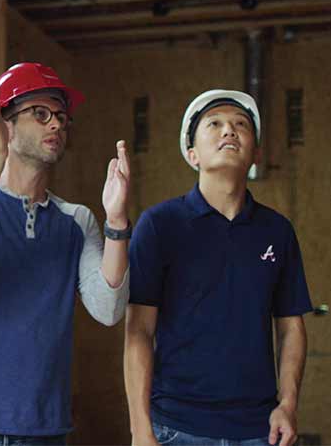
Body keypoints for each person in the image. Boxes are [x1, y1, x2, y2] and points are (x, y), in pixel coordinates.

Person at [0, 62, 132, 445]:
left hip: (41, 430)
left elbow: (108, 309)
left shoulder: (76, 221)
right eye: (40, 113)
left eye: (62, 118)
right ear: (5, 124)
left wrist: (116, 220)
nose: (56, 124)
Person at [124, 89, 313, 446]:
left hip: (258, 431)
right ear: (192, 154)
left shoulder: (277, 230)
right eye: (215, 124)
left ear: (255, 153)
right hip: (176, 428)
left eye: (241, 125)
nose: (229, 131)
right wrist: (140, 430)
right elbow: (138, 332)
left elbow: (290, 328)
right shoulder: (159, 225)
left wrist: (287, 405)